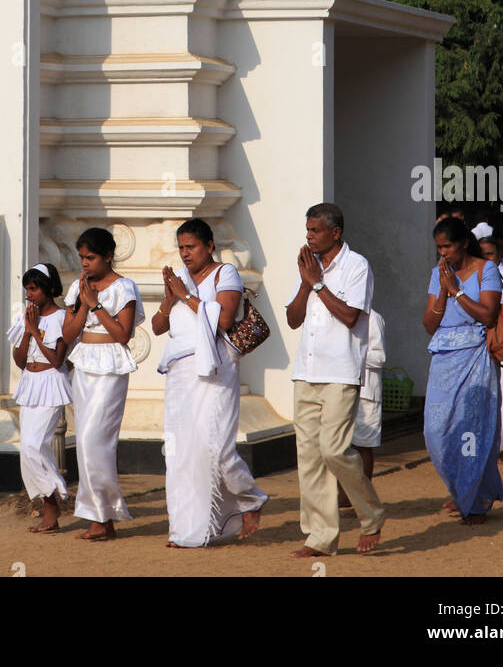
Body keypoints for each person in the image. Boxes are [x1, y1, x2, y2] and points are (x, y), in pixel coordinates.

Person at [152, 219, 268, 547]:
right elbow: (160, 327)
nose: (185, 254)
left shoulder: (224, 274)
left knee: (215, 448)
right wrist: (168, 297)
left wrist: (185, 295)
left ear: (209, 246)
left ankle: (250, 496)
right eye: (181, 248)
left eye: (191, 247)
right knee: (180, 452)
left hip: (215, 371)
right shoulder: (179, 278)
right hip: (179, 373)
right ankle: (187, 531)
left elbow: (226, 318)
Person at [286, 203, 386, 558]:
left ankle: (371, 513)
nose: (309, 235)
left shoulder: (357, 266)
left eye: (315, 230)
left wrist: (317, 283)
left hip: (341, 372)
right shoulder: (308, 266)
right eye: (308, 229)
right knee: (309, 457)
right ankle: (320, 537)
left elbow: (348, 316)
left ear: (335, 232)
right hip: (306, 372)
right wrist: (304, 283)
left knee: (334, 450)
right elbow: (293, 319)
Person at [62, 227, 144, 541]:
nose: (84, 263)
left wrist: (96, 304)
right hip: (84, 365)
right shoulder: (78, 287)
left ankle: (103, 514)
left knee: (97, 441)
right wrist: (83, 302)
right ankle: (101, 518)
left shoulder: (124, 287)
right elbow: (68, 334)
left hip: (110, 367)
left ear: (107, 255)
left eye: (91, 257)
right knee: (83, 441)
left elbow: (124, 334)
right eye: (81, 257)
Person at [422, 217, 503, 524]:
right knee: (436, 431)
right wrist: (443, 291)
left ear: (464, 243)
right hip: (443, 356)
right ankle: (461, 489)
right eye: (438, 248)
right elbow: (429, 324)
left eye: (447, 246)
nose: (443, 253)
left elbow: (488, 314)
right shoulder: (438, 274)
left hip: (476, 357)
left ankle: (475, 499)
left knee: (472, 429)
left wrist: (456, 291)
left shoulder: (487, 270)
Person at [8, 262, 71, 533]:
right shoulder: (26, 317)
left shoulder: (61, 318)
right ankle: (51, 505)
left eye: (34, 289)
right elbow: (20, 361)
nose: (29, 295)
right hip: (30, 383)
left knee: (35, 445)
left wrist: (34, 330)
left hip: (51, 383)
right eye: (27, 290)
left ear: (49, 288)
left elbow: (57, 359)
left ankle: (54, 501)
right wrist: (26, 329)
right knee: (28, 449)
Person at [338, 308, 386, 516]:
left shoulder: (374, 318)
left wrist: (351, 352)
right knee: (340, 444)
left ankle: (364, 499)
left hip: (367, 391)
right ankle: (344, 496)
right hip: (343, 388)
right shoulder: (339, 316)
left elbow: (380, 357)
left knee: (363, 446)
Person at [479, 235, 503, 460]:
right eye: (482, 254)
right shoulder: (475, 275)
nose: (487, 258)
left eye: (491, 254)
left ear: (500, 255)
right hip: (482, 342)